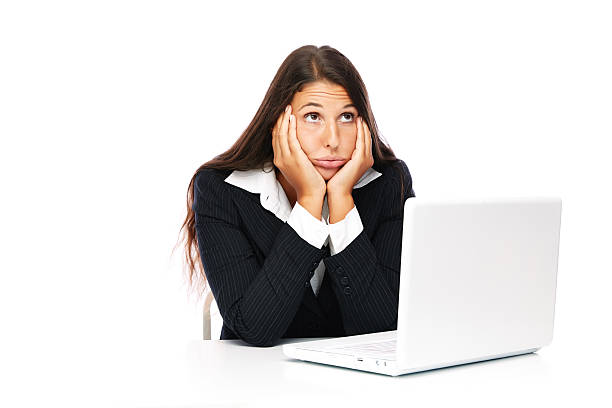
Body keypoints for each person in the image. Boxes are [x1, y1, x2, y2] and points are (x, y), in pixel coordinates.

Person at [179, 45, 415, 347]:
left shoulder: (389, 184)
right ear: (279, 122)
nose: (332, 140)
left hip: (357, 386)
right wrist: (310, 201)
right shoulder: (220, 189)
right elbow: (254, 328)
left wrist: (342, 198)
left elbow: (384, 330)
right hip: (256, 381)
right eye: (313, 116)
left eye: (346, 116)